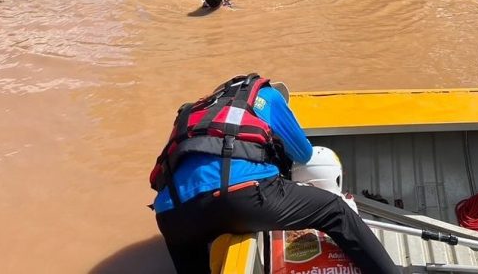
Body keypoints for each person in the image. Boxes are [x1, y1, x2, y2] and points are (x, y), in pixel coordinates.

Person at [150, 74, 399, 274]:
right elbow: (303, 153)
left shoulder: (194, 112)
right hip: (241, 197)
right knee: (335, 210)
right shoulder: (265, 95)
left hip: (172, 217)